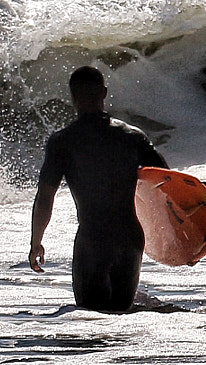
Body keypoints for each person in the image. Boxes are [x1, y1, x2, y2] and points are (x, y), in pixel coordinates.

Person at [30, 66, 168, 312]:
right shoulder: (132, 136)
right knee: (122, 319)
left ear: (72, 98)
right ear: (104, 92)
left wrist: (36, 242)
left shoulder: (64, 141)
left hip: (93, 240)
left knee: (90, 324)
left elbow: (45, 197)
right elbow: (168, 184)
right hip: (130, 239)